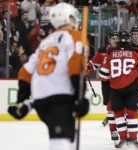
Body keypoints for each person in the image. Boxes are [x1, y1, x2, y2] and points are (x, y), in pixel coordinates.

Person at [7, 3, 91, 150]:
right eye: (74, 18)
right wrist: (81, 95)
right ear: (70, 18)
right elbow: (75, 64)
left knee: (68, 137)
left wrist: (22, 100)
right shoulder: (76, 36)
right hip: (61, 97)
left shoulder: (45, 42)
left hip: (40, 100)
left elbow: (25, 71)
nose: (76, 21)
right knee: (61, 142)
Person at [99, 30, 138, 149]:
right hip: (132, 88)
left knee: (118, 113)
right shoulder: (136, 51)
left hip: (115, 89)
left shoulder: (110, 52)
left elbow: (104, 74)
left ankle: (122, 138)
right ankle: (133, 139)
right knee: (132, 113)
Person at [87, 30, 119, 142]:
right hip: (107, 83)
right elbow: (94, 64)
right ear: (109, 40)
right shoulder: (102, 51)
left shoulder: (123, 50)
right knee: (110, 107)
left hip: (121, 82)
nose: (116, 40)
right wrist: (86, 66)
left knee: (122, 108)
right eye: (113, 38)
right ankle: (113, 131)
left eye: (117, 38)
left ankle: (124, 130)